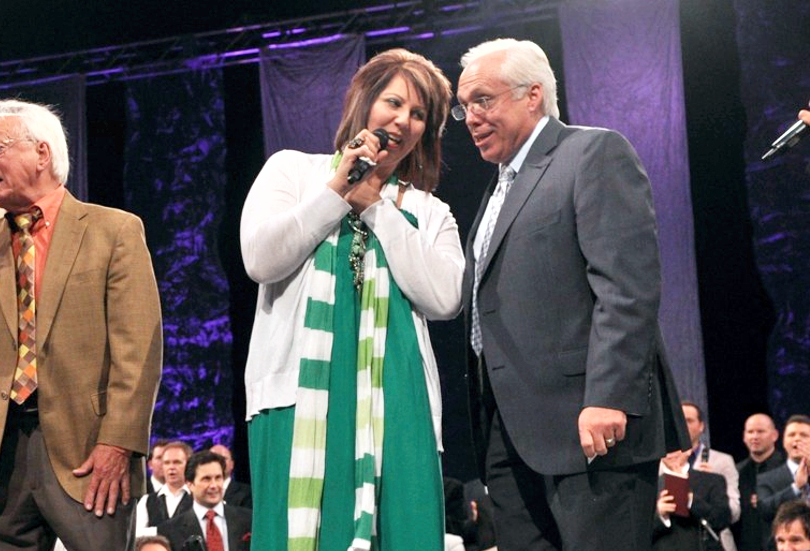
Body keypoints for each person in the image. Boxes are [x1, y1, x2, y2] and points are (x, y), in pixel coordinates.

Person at [456, 38, 688, 551]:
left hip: (591, 429)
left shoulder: (592, 151)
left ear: (533, 95)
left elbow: (626, 289)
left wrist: (608, 397)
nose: (470, 117)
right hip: (509, 434)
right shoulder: (499, 188)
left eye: (483, 100)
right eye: (464, 106)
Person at [241, 48, 461, 551]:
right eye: (394, 102)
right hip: (298, 394)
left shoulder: (430, 213)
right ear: (365, 102)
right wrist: (339, 189)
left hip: (398, 404)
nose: (403, 120)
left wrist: (377, 209)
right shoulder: (292, 173)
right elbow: (261, 259)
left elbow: (445, 297)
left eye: (419, 114)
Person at [0, 98, 163, 551]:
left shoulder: (114, 231)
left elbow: (140, 351)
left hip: (88, 452)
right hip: (1, 451)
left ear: (42, 153)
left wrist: (119, 444)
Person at [158, 451, 251, 551]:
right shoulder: (170, 530)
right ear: (190, 484)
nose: (214, 485)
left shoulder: (248, 520)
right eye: (206, 479)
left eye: (218, 478)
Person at [681, 401, 741, 550]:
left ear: (701, 426)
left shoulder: (722, 461)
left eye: (689, 420)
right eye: (679, 419)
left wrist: (712, 489)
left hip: (713, 541)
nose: (683, 424)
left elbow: (734, 511)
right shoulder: (661, 463)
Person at [652, 448, 731, 551]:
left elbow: (722, 519)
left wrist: (691, 500)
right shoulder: (650, 487)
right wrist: (659, 514)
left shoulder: (711, 481)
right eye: (666, 447)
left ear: (688, 450)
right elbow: (639, 532)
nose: (670, 452)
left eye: (675, 447)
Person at [737, 413, 785, 551]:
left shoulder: (787, 468)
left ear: (775, 435)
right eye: (750, 432)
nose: (755, 436)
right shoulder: (737, 472)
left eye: (760, 431)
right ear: (744, 437)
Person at [757, 415, 810, 527]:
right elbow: (765, 511)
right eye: (791, 435)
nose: (797, 439)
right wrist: (796, 487)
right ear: (784, 442)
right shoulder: (766, 479)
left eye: (804, 435)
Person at [138, 441, 193, 533]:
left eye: (177, 462)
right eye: (167, 463)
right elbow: (136, 535)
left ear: (189, 464)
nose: (171, 467)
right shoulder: (147, 501)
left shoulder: (199, 498)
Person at [209, 443, 251, 509]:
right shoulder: (195, 493)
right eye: (213, 458)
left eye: (223, 458)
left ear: (232, 464)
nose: (218, 462)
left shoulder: (246, 493)